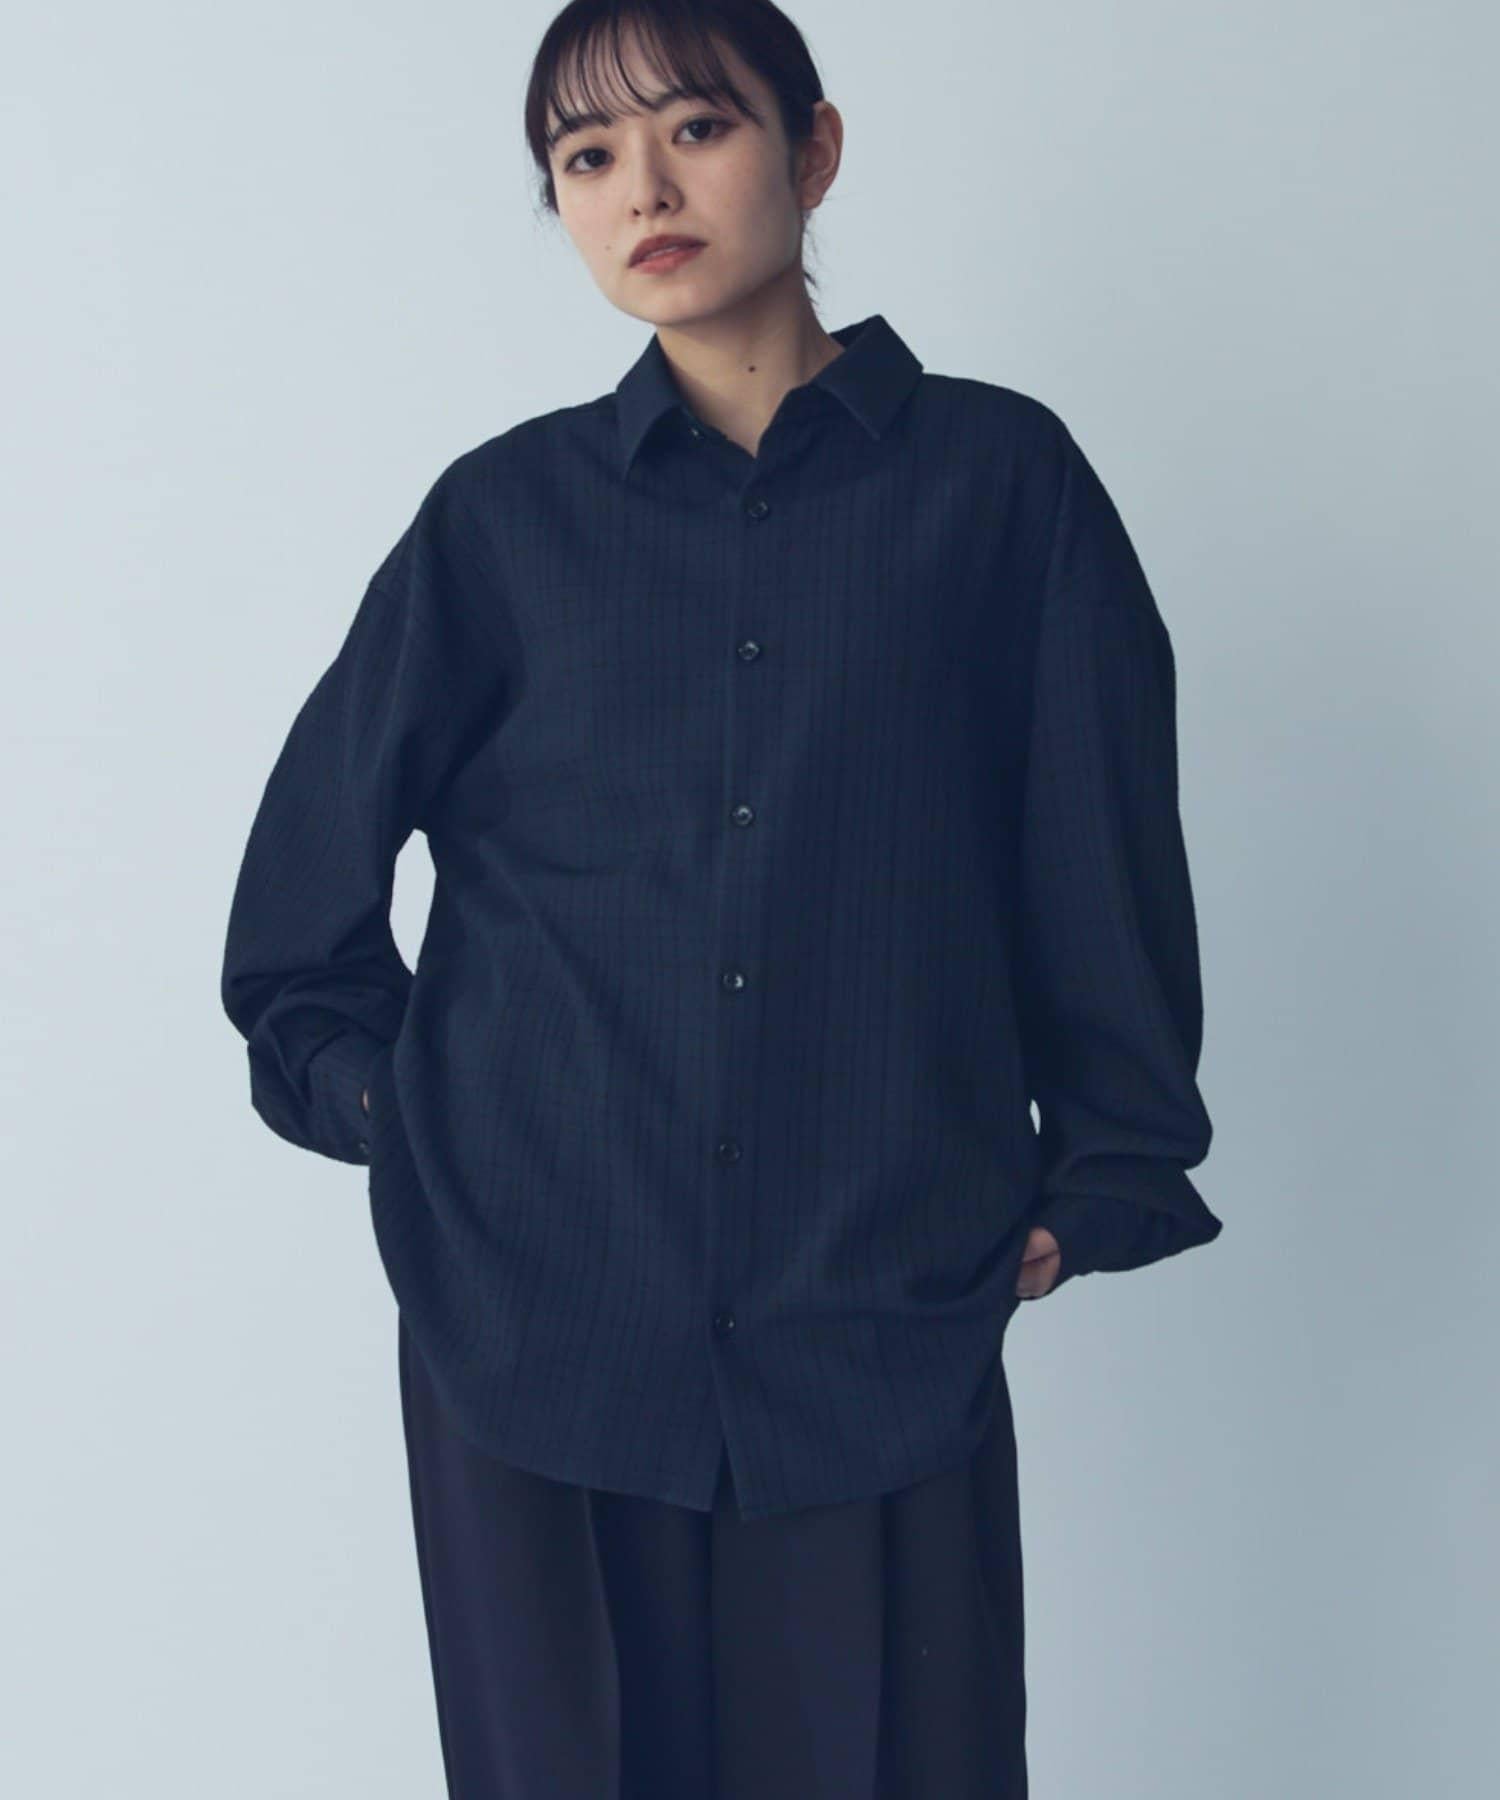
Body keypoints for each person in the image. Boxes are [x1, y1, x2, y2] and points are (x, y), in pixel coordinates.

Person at [220, 1, 1223, 1793]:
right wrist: (420, 1128)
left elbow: (1099, 852)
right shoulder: (500, 525)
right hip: (535, 1339)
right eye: (586, 156)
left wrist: (1107, 1173)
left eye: (696, 127)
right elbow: (299, 919)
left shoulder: (1003, 489)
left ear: (813, 149)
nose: (643, 189)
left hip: (878, 1315)